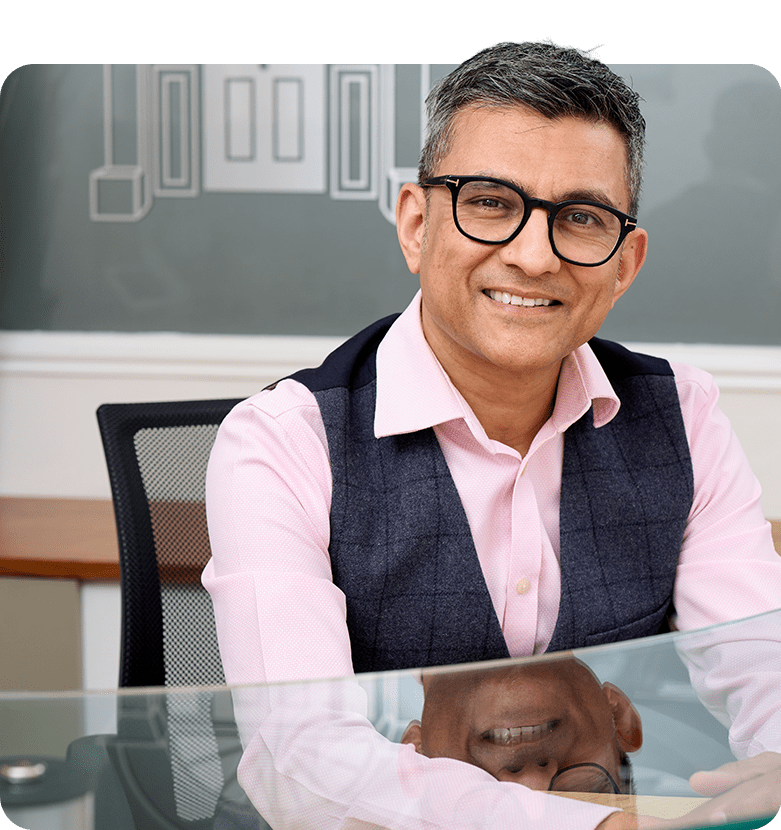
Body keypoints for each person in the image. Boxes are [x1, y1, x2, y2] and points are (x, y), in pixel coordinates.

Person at [203, 41, 781, 829]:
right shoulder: (280, 441)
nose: (534, 256)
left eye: (580, 218)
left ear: (624, 262)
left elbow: (763, 659)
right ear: (415, 224)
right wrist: (596, 827)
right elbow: (296, 758)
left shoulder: (684, 415)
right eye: (489, 202)